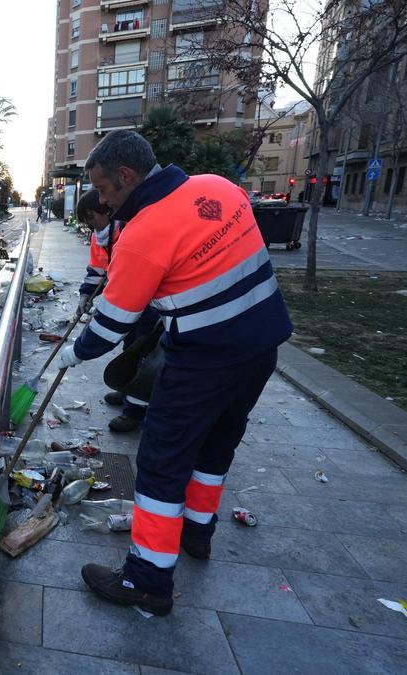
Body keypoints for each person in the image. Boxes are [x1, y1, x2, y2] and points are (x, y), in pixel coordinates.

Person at [55, 131, 292, 616]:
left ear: (125, 176)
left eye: (103, 190)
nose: (101, 200)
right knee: (215, 446)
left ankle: (147, 580)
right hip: (262, 346)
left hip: (204, 359)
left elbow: (114, 322)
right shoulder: (220, 188)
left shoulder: (145, 231)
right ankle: (197, 533)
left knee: (162, 463)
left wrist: (72, 355)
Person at [73, 189, 158, 433]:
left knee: (144, 352)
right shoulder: (99, 236)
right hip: (129, 298)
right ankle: (127, 389)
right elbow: (97, 269)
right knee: (130, 346)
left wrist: (81, 350)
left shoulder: (130, 231)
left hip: (149, 301)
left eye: (92, 217)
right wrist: (85, 294)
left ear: (106, 211)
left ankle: (135, 411)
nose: (90, 225)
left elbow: (128, 283)